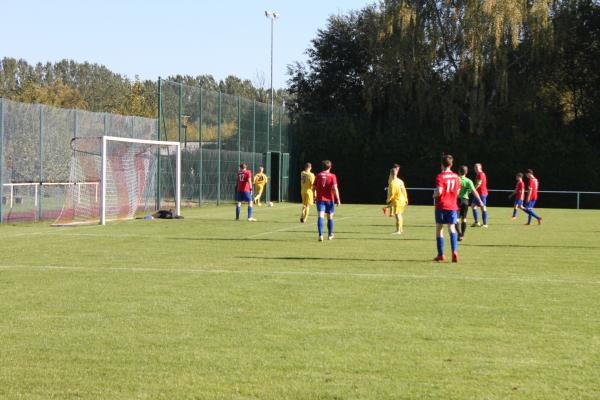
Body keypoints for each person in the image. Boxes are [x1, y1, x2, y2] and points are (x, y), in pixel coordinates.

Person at [433, 154, 461, 263]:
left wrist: (434, 195)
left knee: (439, 229)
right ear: (451, 164)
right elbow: (458, 192)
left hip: (441, 205)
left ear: (441, 165)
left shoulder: (440, 176)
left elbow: (439, 191)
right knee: (452, 228)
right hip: (452, 206)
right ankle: (454, 251)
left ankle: (441, 255)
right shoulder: (456, 176)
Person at [313, 160, 341, 241]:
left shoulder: (318, 175)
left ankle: (320, 235)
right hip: (330, 200)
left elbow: (313, 188)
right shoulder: (333, 176)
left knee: (320, 216)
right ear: (330, 167)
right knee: (330, 217)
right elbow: (335, 188)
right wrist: (338, 199)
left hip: (320, 199)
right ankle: (329, 235)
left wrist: (314, 195)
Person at [456, 165, 482, 241]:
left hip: (457, 200)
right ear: (466, 172)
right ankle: (462, 235)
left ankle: (459, 233)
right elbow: (474, 191)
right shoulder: (469, 181)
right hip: (465, 201)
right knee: (464, 219)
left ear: (459, 171)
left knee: (456, 219)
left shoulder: (456, 179)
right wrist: (480, 200)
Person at [387, 165, 408, 234]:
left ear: (391, 174)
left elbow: (392, 193)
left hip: (397, 200)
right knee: (400, 215)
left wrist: (389, 201)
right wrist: (406, 199)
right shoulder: (400, 181)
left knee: (397, 215)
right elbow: (404, 190)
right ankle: (400, 229)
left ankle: (398, 231)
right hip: (402, 200)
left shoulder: (393, 183)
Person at [471, 163, 489, 228]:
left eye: (476, 167)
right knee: (473, 206)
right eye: (475, 167)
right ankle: (477, 222)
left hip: (482, 193)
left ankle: (485, 224)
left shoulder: (481, 174)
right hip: (478, 193)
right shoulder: (478, 174)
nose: (475, 169)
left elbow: (479, 184)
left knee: (483, 207)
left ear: (480, 168)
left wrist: (472, 189)